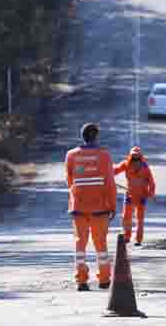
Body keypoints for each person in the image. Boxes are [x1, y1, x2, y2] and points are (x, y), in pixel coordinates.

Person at [65, 123, 117, 291]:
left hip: (78, 207)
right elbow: (110, 183)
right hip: (99, 208)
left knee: (80, 243)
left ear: (83, 136)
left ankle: (81, 280)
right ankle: (104, 279)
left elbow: (70, 181)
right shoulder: (104, 155)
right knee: (100, 244)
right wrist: (112, 206)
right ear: (96, 136)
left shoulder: (71, 155)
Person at [114, 146, 156, 246]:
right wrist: (107, 173)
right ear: (130, 156)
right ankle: (126, 236)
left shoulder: (145, 167)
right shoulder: (126, 164)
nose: (135, 159)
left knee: (139, 219)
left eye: (137, 157)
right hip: (130, 195)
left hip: (141, 196)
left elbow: (151, 182)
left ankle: (138, 239)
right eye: (133, 157)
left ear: (140, 156)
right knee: (126, 217)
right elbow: (115, 170)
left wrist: (150, 193)